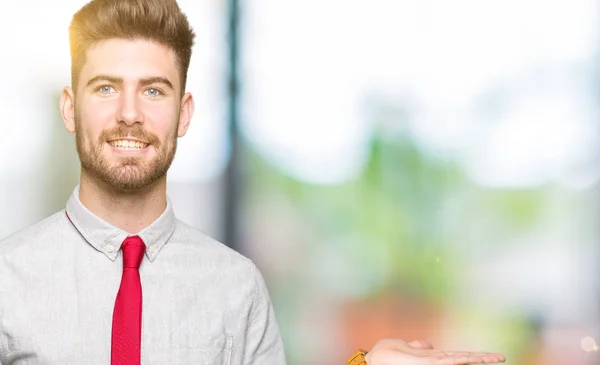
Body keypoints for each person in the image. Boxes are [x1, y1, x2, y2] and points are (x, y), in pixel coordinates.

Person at [0, 0, 506, 364]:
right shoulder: (6, 279)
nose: (129, 114)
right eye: (106, 87)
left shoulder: (236, 287)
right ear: (70, 107)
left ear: (184, 113)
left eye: (154, 91)